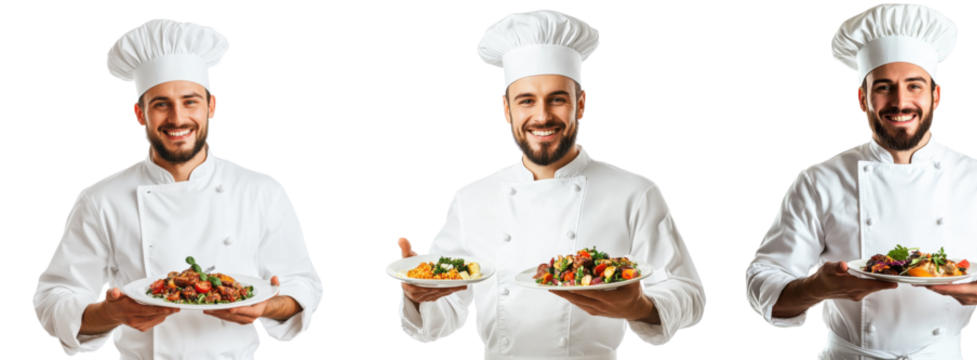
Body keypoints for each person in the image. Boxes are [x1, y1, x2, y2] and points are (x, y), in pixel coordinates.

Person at [394, 9, 708, 359]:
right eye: (526, 100)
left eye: (557, 99)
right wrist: (418, 291)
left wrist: (641, 307)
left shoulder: (635, 192)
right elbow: (439, 319)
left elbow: (690, 295)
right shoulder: (471, 199)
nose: (542, 116)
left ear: (582, 105)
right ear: (506, 110)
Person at [743, 4, 977, 359]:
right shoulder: (817, 180)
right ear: (862, 99)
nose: (900, 101)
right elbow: (761, 280)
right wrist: (814, 288)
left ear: (936, 96)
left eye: (914, 86)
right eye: (884, 87)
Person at [31, 18, 326, 358]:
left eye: (190, 101)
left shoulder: (262, 191)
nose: (177, 118)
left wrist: (267, 307)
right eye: (160, 104)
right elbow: (53, 297)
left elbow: (304, 284)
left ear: (212, 106)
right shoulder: (100, 200)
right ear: (138, 113)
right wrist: (108, 314)